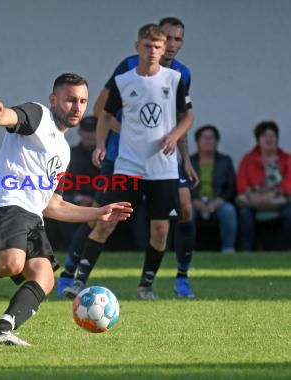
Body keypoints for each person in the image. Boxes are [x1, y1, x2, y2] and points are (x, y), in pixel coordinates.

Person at [0, 73, 132, 346]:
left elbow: (54, 205)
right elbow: (9, 118)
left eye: (83, 101)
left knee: (44, 276)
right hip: (8, 203)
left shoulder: (64, 151)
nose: (77, 107)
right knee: (10, 264)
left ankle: (2, 330)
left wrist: (98, 213)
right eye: (70, 99)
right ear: (53, 100)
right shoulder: (38, 114)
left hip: (33, 215)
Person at [60, 17, 198, 299]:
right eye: (150, 45)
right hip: (128, 165)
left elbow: (187, 116)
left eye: (161, 45)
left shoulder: (176, 78)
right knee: (104, 219)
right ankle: (74, 279)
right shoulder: (125, 77)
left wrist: (176, 141)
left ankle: (149, 284)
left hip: (163, 169)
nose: (156, 50)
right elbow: (103, 113)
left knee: (163, 229)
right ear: (138, 46)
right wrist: (101, 144)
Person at [45, 115, 99, 250]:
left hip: (99, 201)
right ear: (80, 132)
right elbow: (60, 185)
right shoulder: (69, 154)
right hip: (73, 200)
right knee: (57, 205)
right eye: (87, 131)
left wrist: (94, 199)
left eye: (94, 131)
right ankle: (70, 246)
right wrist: (78, 198)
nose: (90, 135)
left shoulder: (107, 157)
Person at [235, 121, 291, 251]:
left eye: (272, 136)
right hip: (254, 200)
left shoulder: (287, 158)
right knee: (244, 213)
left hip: (280, 200)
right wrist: (255, 196)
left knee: (289, 213)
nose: (269, 139)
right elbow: (241, 184)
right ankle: (246, 253)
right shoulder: (248, 159)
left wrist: (274, 193)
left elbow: (289, 183)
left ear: (277, 139)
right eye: (265, 136)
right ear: (258, 140)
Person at [189, 125, 237, 253]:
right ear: (197, 141)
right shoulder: (189, 162)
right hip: (194, 202)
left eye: (211, 138)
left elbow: (231, 187)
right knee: (187, 213)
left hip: (218, 202)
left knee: (229, 211)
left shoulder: (225, 161)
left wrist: (218, 201)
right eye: (204, 137)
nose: (208, 141)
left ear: (217, 141)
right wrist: (194, 201)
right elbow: (181, 186)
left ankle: (228, 250)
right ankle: (187, 250)